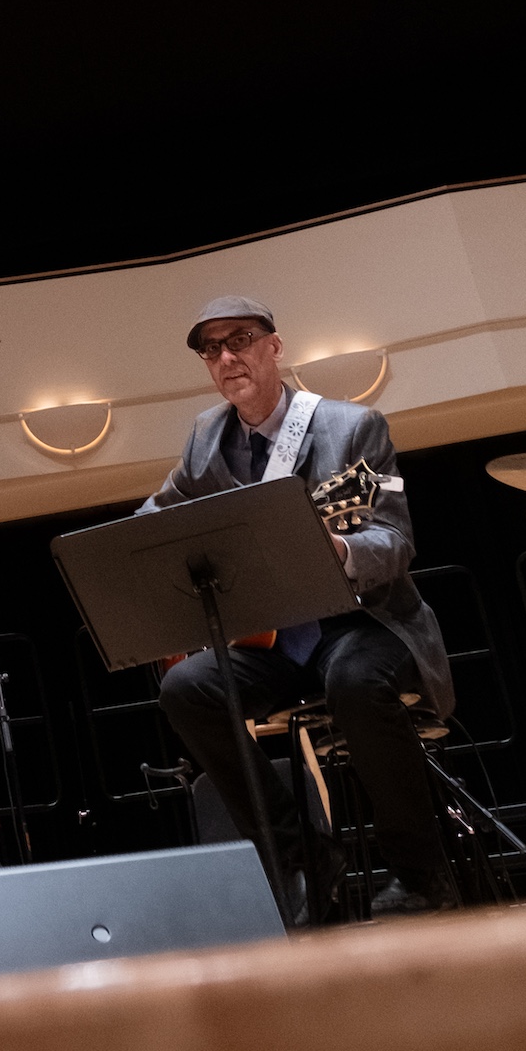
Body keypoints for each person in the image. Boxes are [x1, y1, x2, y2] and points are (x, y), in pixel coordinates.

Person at [147, 296, 460, 920]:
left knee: (352, 679)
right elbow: (158, 519)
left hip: (362, 623)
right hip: (275, 639)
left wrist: (339, 544)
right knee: (186, 687)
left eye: (240, 340)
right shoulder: (206, 438)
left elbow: (394, 544)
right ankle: (301, 855)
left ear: (275, 346)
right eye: (212, 349)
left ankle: (422, 874)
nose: (227, 357)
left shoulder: (352, 427)